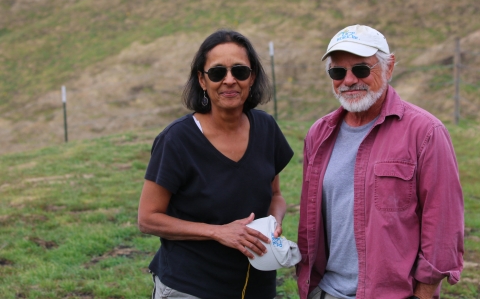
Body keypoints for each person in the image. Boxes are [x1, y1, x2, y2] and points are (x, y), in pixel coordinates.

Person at [296, 24, 464, 299]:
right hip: (326, 292)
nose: (349, 80)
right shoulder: (319, 134)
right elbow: (309, 222)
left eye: (361, 69)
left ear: (389, 67)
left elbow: (444, 227)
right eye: (338, 72)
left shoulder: (426, 133)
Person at [138, 29, 294, 299]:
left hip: (257, 284)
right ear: (202, 79)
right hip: (191, 287)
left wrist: (274, 221)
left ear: (252, 77)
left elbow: (276, 196)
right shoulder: (177, 140)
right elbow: (148, 219)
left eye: (240, 71)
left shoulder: (266, 128)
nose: (229, 81)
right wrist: (218, 233)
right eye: (217, 72)